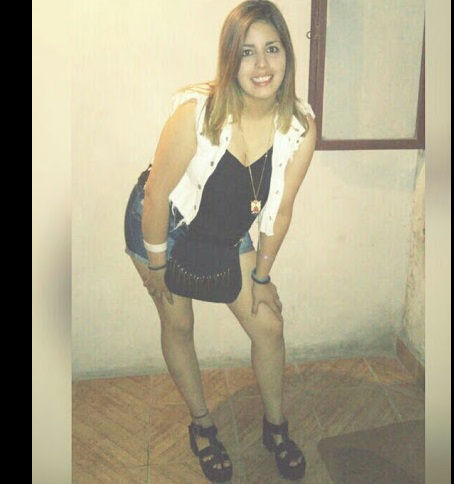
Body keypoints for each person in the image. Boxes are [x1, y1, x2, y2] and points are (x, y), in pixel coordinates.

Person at [124, 1, 316, 481]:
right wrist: (157, 266)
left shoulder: (299, 127)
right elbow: (156, 194)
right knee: (178, 324)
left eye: (272, 48)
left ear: (288, 54)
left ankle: (275, 427)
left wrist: (262, 276)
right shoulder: (197, 114)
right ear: (230, 57)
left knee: (268, 326)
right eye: (247, 52)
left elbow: (280, 209)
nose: (262, 64)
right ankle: (202, 426)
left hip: (225, 235)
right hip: (163, 229)